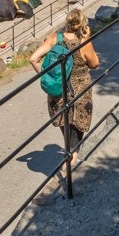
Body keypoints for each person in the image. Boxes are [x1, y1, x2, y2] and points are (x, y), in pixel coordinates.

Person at [29, 9, 99, 167]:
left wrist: (46, 76)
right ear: (83, 25)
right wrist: (88, 39)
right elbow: (94, 64)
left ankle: (69, 157)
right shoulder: (83, 42)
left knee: (65, 123)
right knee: (77, 125)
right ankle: (70, 162)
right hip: (79, 89)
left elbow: (33, 59)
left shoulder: (55, 38)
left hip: (58, 89)